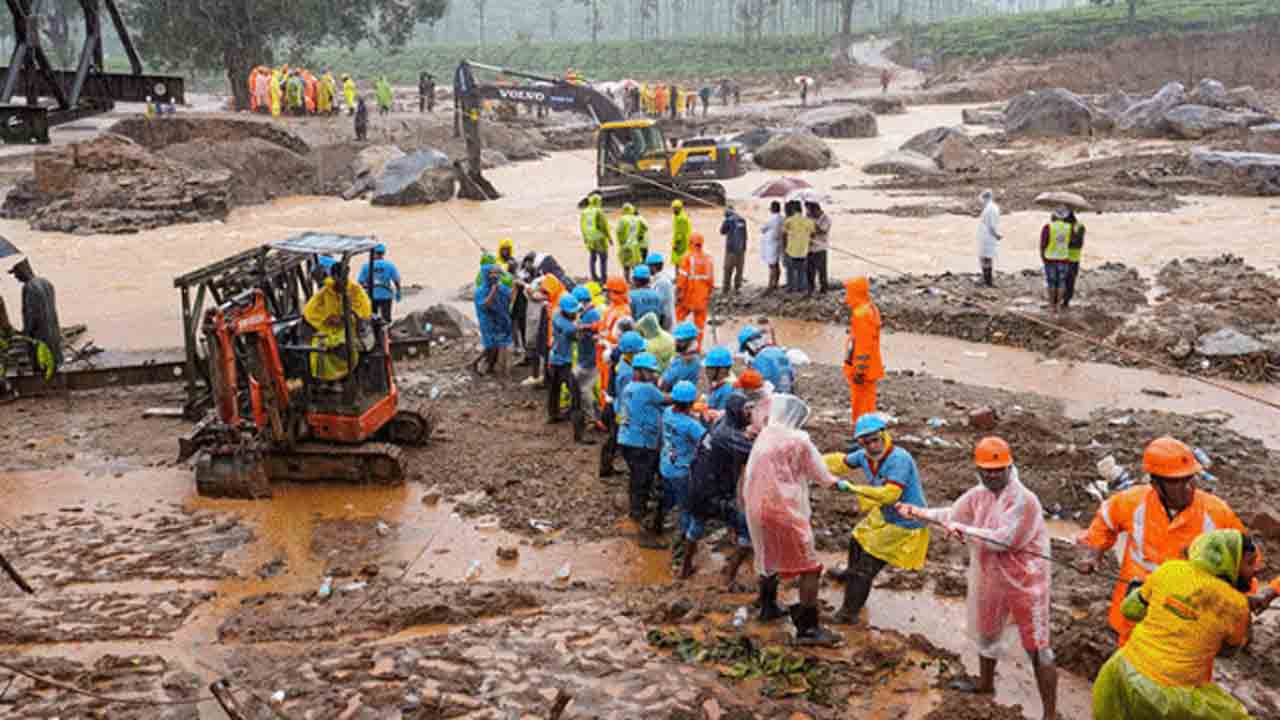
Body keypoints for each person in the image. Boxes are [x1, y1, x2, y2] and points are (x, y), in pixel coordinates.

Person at [899, 437, 1057, 720]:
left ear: (1009, 467)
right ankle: (985, 684)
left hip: (1026, 580)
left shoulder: (1024, 500)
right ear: (978, 470)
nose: (992, 476)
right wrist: (918, 512)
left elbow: (1004, 540)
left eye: (998, 470)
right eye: (987, 471)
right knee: (987, 630)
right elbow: (952, 514)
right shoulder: (978, 495)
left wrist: (962, 529)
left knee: (1037, 646)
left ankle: (1049, 714)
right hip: (991, 575)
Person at [1078, 436, 1250, 646]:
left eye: (1190, 478)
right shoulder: (1133, 502)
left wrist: (1244, 606)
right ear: (1156, 484)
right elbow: (1105, 521)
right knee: (1130, 658)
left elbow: (1246, 559)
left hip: (1186, 618)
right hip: (1136, 608)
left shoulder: (1216, 514)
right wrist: (1092, 553)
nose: (1188, 487)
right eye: (1177, 482)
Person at [1092, 529, 1257, 720]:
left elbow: (1130, 610)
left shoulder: (1170, 569)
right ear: (1230, 561)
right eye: (1249, 563)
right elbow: (1229, 650)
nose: (1255, 570)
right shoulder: (1237, 606)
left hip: (1122, 673)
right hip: (1171, 697)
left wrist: (1143, 593)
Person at [743, 394, 842, 646]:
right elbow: (822, 476)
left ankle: (767, 607)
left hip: (755, 506)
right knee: (810, 567)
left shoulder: (765, 435)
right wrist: (841, 483)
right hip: (783, 508)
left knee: (766, 555)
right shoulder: (799, 440)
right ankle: (808, 628)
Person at [827, 414, 930, 624]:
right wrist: (809, 459)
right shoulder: (864, 456)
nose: (873, 446)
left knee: (866, 567)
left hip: (906, 521)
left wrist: (854, 488)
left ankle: (848, 613)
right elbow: (840, 462)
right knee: (856, 539)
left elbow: (890, 494)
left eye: (875, 440)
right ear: (860, 443)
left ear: (884, 435)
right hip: (885, 513)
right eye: (866, 443)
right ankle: (849, 575)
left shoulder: (899, 459)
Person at [681, 392, 755, 582]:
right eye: (747, 409)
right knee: (747, 530)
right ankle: (728, 578)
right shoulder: (728, 435)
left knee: (696, 526)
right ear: (736, 411)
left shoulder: (721, 424)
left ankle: (685, 568)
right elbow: (756, 453)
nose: (750, 413)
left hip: (698, 486)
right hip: (714, 493)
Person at [618, 352, 668, 537]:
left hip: (626, 439)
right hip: (641, 442)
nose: (652, 375)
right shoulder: (647, 389)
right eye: (649, 372)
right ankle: (637, 514)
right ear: (638, 371)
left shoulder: (629, 387)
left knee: (636, 476)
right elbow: (666, 399)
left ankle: (636, 507)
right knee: (642, 477)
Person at [303, 261, 373, 381]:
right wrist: (324, 319)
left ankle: (345, 376)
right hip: (330, 329)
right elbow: (310, 309)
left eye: (344, 277)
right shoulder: (327, 289)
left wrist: (344, 318)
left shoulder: (355, 289)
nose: (341, 281)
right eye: (338, 278)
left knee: (341, 346)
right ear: (333, 276)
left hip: (350, 327)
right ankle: (323, 379)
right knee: (319, 346)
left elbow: (364, 311)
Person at [659, 381, 706, 540]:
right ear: (691, 403)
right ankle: (683, 539)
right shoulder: (691, 425)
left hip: (666, 465)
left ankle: (657, 523)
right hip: (682, 471)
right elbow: (707, 441)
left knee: (668, 497)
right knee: (686, 507)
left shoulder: (667, 413)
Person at [601, 328, 644, 477]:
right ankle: (608, 468)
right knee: (618, 439)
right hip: (623, 411)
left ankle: (606, 466)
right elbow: (627, 396)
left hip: (618, 407)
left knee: (614, 438)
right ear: (632, 352)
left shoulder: (623, 362)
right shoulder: (627, 373)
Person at [9, 259, 61, 379]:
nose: (16, 277)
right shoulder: (46, 282)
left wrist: (26, 334)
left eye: (16, 274)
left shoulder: (28, 287)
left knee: (40, 364)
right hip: (53, 330)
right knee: (53, 360)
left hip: (39, 334)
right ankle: (54, 379)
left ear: (23, 272)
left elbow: (31, 315)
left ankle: (43, 383)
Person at [843, 278, 883, 425]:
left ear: (855, 293)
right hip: (869, 367)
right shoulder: (870, 308)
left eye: (848, 293)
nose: (846, 298)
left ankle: (863, 430)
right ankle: (866, 428)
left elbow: (863, 346)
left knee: (861, 404)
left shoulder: (861, 315)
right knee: (867, 402)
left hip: (863, 370)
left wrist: (859, 370)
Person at [474, 263, 514, 378]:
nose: (495, 276)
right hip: (488, 322)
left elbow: (511, 298)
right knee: (490, 346)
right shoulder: (480, 291)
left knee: (500, 345)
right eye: (492, 273)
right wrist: (493, 291)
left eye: (496, 273)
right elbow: (484, 305)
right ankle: (484, 365)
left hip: (501, 320)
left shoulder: (502, 288)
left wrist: (516, 287)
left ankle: (495, 367)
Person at [544, 294, 580, 424]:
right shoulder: (566, 325)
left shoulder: (556, 314)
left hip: (555, 356)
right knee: (572, 388)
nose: (573, 313)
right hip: (563, 360)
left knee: (554, 389)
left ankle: (553, 413)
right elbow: (574, 330)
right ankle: (575, 413)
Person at [675, 233, 714, 347]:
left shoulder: (687, 257)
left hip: (688, 296)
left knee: (679, 318)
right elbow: (711, 280)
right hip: (702, 297)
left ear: (691, 243)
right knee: (699, 325)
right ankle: (697, 347)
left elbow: (682, 278)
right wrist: (709, 293)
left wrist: (678, 292)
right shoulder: (708, 258)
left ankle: (679, 343)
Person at [572, 299, 602, 444]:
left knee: (585, 390)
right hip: (586, 359)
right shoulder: (586, 314)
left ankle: (592, 418)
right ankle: (594, 415)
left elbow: (594, 334)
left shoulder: (592, 315)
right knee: (586, 389)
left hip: (590, 361)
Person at [739, 325, 794, 394]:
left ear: (750, 345)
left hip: (774, 395)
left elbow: (757, 383)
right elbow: (791, 375)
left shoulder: (760, 358)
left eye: (746, 350)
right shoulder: (778, 351)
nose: (748, 353)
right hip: (788, 391)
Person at [357, 244, 402, 322]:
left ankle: (375, 329)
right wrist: (398, 291)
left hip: (371, 296)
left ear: (373, 253)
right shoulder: (389, 265)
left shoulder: (366, 266)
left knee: (372, 319)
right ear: (383, 253)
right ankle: (386, 329)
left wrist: (367, 288)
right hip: (386, 295)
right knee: (386, 319)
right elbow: (396, 280)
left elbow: (360, 282)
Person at [1039, 207, 1072, 312]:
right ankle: (1058, 305)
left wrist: (1042, 256)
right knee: (1061, 282)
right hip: (1064, 258)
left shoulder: (1048, 227)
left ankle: (1051, 305)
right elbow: (1071, 243)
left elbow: (1043, 244)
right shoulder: (1069, 227)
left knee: (1051, 282)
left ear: (1054, 215)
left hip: (1050, 258)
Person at [498, 239, 528, 354]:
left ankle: (522, 345)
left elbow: (515, 279)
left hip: (518, 299)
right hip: (509, 298)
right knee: (513, 323)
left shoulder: (512, 263)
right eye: (503, 250)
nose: (505, 252)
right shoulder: (501, 264)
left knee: (520, 322)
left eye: (507, 250)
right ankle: (517, 345)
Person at [781, 200, 813, 294]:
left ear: (793, 209)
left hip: (791, 249)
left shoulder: (788, 221)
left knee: (790, 270)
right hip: (803, 249)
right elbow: (812, 234)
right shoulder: (808, 221)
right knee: (802, 270)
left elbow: (783, 235)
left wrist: (784, 248)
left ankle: (790, 287)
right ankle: (801, 288)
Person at [580, 194, 613, 284]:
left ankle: (594, 277)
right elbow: (604, 226)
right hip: (600, 239)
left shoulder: (584, 212)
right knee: (603, 259)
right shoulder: (598, 211)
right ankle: (603, 279)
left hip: (590, 238)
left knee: (592, 258)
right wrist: (609, 238)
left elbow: (582, 226)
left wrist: (585, 238)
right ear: (598, 201)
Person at [661, 322, 703, 391]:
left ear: (689, 341)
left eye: (679, 340)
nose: (676, 342)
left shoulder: (684, 363)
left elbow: (664, 384)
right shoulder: (695, 358)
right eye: (676, 340)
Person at [975, 189, 1002, 288]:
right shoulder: (993, 208)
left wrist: (996, 235)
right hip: (987, 237)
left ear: (985, 198)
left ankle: (987, 281)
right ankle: (987, 280)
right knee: (988, 258)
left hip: (987, 238)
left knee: (985, 258)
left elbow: (991, 225)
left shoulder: (989, 209)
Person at [615, 203, 649, 282]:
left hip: (626, 246)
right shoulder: (636, 218)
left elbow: (618, 231)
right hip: (635, 245)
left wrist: (621, 242)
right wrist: (640, 235)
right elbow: (645, 227)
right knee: (636, 265)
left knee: (626, 266)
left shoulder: (623, 219)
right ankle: (637, 280)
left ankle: (627, 281)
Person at [719, 207, 748, 294]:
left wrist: (726, 221)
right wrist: (744, 248)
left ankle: (726, 288)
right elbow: (745, 235)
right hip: (741, 250)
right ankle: (737, 288)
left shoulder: (728, 220)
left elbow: (722, 231)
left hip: (731, 250)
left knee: (727, 269)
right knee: (739, 270)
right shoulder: (742, 220)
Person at [805, 201, 831, 294]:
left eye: (811, 211)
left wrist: (813, 224)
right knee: (809, 271)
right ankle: (810, 288)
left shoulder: (826, 219)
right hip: (810, 248)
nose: (810, 213)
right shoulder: (809, 218)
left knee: (822, 271)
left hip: (820, 248)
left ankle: (824, 289)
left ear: (816, 209)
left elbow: (822, 231)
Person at [1062, 208, 1086, 309]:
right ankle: (1062, 300)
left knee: (1070, 281)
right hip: (1064, 258)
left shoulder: (1080, 227)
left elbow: (1078, 244)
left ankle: (1066, 301)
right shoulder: (1063, 227)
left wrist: (1071, 234)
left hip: (1072, 258)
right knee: (1065, 281)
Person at [645, 253, 676, 330]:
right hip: (663, 319)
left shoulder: (663, 282)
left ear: (653, 267)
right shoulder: (659, 279)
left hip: (665, 321)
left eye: (648, 266)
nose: (647, 269)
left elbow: (658, 302)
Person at [760, 201, 783, 293]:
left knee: (772, 265)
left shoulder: (772, 219)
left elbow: (763, 229)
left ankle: (770, 285)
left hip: (772, 245)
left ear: (772, 208)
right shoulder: (782, 218)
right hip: (778, 244)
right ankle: (775, 283)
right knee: (776, 264)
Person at [703, 347, 735, 411]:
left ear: (722, 370)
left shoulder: (727, 390)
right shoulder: (717, 385)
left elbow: (720, 415)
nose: (706, 371)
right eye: (707, 368)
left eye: (710, 368)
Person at [670, 199, 692, 269]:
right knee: (681, 260)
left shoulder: (681, 218)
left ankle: (678, 274)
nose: (673, 210)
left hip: (681, 243)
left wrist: (676, 244)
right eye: (673, 208)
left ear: (678, 208)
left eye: (674, 208)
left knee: (679, 261)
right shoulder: (679, 215)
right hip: (682, 241)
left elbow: (680, 233)